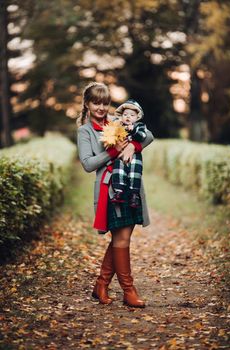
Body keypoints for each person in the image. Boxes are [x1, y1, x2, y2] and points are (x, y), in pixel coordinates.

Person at [77, 82, 154, 308]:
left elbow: (147, 135)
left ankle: (101, 284)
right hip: (109, 189)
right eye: (96, 102)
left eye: (105, 103)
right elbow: (88, 164)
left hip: (131, 186)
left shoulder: (117, 121)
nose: (101, 107)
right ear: (87, 104)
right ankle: (129, 291)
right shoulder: (85, 131)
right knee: (122, 238)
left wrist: (133, 147)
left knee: (121, 237)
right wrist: (114, 151)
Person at [111, 99, 147, 208]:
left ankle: (134, 196)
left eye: (132, 115)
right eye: (125, 114)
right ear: (121, 116)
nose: (128, 117)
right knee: (118, 170)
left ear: (137, 117)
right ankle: (118, 192)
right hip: (121, 154)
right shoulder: (118, 126)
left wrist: (132, 131)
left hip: (135, 156)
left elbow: (143, 136)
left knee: (134, 173)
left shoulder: (139, 126)